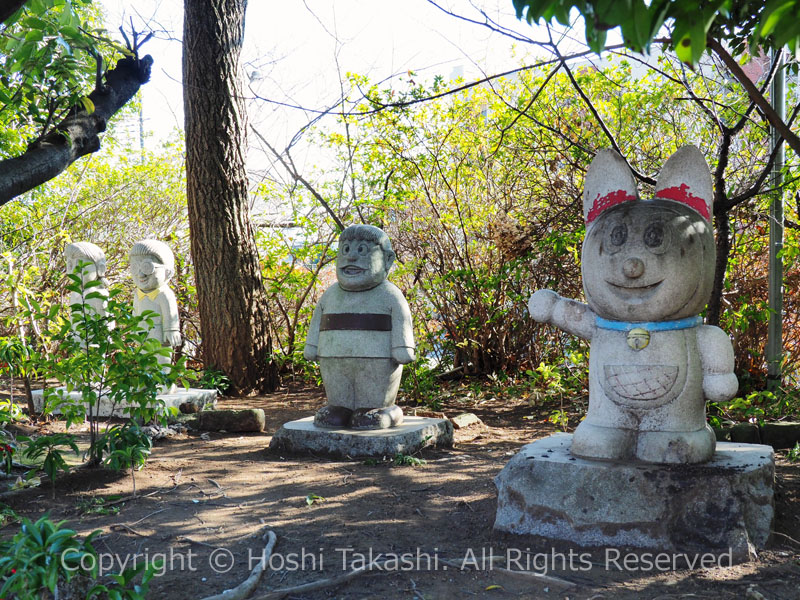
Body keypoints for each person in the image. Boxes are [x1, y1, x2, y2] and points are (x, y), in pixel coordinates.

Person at [304, 225, 415, 429]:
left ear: (387, 260)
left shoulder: (389, 294)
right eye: (345, 250)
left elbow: (402, 319)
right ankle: (340, 407)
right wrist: (312, 346)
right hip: (333, 357)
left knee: (371, 398)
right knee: (338, 397)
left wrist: (403, 347)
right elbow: (318, 320)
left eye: (362, 250)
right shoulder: (331, 294)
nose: (351, 258)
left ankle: (379, 409)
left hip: (378, 359)